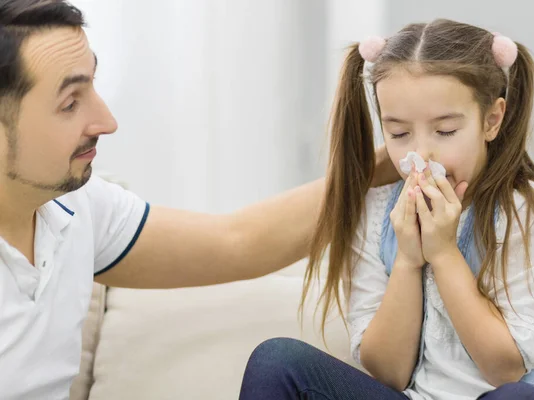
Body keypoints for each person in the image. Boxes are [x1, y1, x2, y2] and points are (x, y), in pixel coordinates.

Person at [0, 1, 400, 398]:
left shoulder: (79, 207)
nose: (106, 122)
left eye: (92, 86)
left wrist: (388, 162)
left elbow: (238, 242)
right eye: (70, 103)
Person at [239, 19, 534, 400]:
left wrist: (443, 253)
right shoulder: (378, 214)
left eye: (444, 131)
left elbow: (504, 369)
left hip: (512, 394)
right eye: (398, 133)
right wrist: (408, 260)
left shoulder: (526, 211)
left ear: (491, 119)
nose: (421, 155)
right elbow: (389, 374)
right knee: (276, 360)